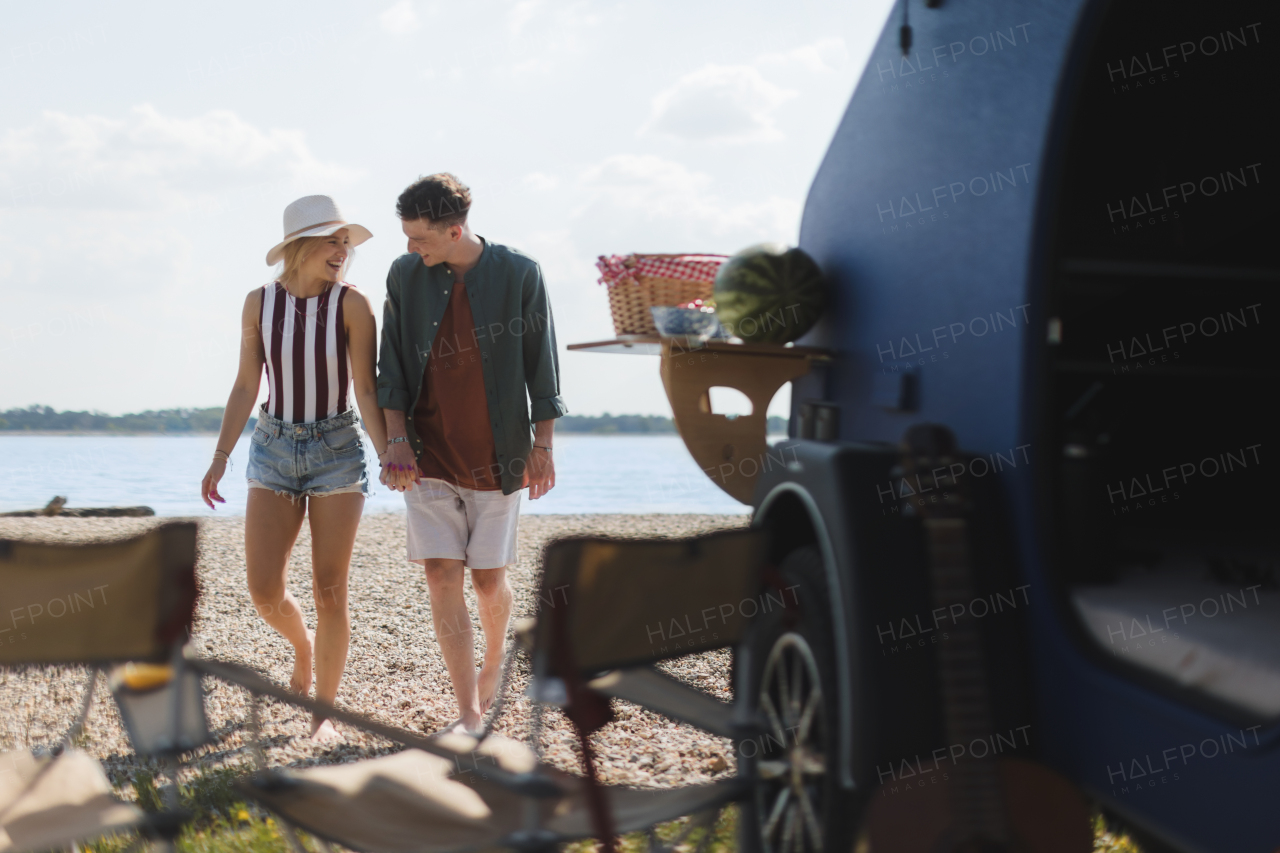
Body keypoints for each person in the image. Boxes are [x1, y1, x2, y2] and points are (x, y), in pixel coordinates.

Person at [377, 173, 565, 735]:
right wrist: (396, 438)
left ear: (455, 230)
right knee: (441, 576)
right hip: (426, 455)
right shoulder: (404, 275)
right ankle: (468, 710)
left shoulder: (520, 273)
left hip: (498, 454)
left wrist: (543, 446)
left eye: (421, 239)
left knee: (487, 581)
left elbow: (542, 364)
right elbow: (392, 365)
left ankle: (496, 656)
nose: (412, 248)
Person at [201, 195, 388, 742]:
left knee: (330, 590)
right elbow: (244, 385)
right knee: (263, 590)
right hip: (274, 447)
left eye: (345, 243)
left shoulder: (352, 306)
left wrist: (388, 454)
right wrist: (219, 457)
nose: (342, 251)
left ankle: (324, 714)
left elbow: (367, 389)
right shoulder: (258, 304)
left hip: (336, 449)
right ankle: (302, 646)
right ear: (300, 246)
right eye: (333, 241)